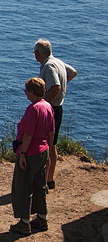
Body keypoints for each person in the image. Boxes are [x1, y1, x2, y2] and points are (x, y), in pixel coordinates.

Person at [10, 77, 55, 236]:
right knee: (39, 185)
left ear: (32, 91)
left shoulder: (33, 109)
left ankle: (24, 223)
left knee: (23, 187)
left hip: (30, 152)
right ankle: (42, 219)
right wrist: (49, 151)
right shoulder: (48, 106)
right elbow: (51, 132)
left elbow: (28, 135)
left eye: (26, 91)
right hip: (43, 150)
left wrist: (23, 153)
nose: (25, 93)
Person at [33, 39, 77, 189]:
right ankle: (50, 179)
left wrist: (43, 103)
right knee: (52, 144)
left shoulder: (49, 66)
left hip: (50, 109)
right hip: (58, 108)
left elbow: (56, 87)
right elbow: (73, 72)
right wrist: (63, 86)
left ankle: (43, 180)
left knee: (45, 144)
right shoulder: (58, 62)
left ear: (37, 53)